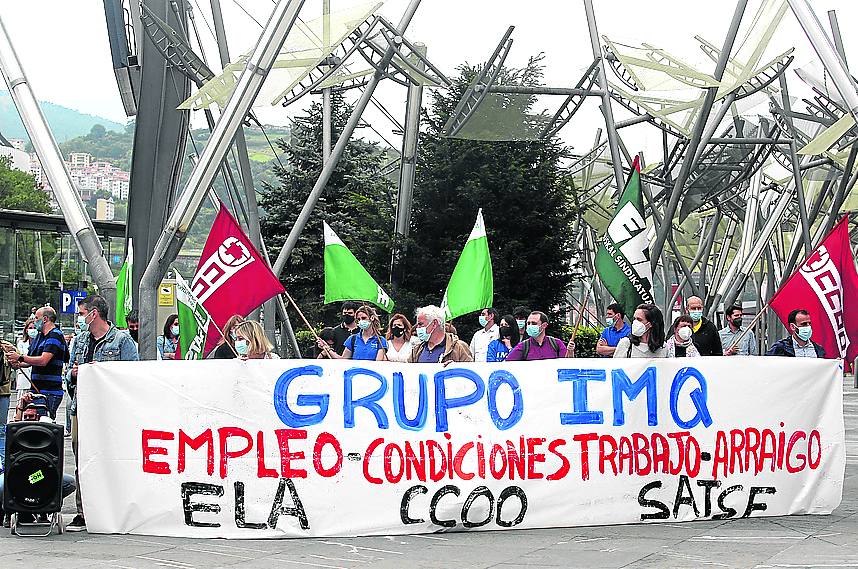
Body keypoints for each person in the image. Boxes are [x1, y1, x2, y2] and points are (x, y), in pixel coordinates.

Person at [67, 294, 138, 532]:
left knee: (111, 457)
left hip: (110, 413)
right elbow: (68, 374)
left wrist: (105, 371)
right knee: (81, 459)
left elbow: (132, 376)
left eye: (81, 313)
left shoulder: (121, 341)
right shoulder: (79, 341)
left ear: (93, 313)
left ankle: (114, 508)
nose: (79, 318)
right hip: (82, 408)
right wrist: (75, 374)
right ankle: (82, 511)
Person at [0, 393, 76, 526]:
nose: (29, 419)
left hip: (42, 473)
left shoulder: (44, 429)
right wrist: (20, 408)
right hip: (17, 474)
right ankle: (12, 511)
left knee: (69, 483)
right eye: (26, 416)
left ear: (38, 416)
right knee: (2, 485)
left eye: (32, 416)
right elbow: (14, 426)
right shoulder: (16, 430)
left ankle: (43, 508)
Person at [4, 306, 67, 419]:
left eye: (37, 318)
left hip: (50, 391)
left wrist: (20, 358)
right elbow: (30, 360)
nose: (34, 321)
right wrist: (17, 363)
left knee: (44, 423)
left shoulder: (55, 335)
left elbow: (43, 360)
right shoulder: (39, 336)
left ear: (45, 319)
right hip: (35, 390)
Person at [322, 305, 387, 361]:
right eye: (358, 319)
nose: (361, 321)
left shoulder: (380, 341)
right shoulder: (353, 339)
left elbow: (378, 363)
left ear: (372, 318)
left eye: (364, 318)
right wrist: (327, 348)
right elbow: (343, 360)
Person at [15, 318, 36, 401]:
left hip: (36, 379)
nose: (32, 330)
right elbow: (20, 359)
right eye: (30, 328)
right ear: (26, 330)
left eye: (34, 328)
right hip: (24, 378)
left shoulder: (40, 343)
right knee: (21, 403)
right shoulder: (21, 343)